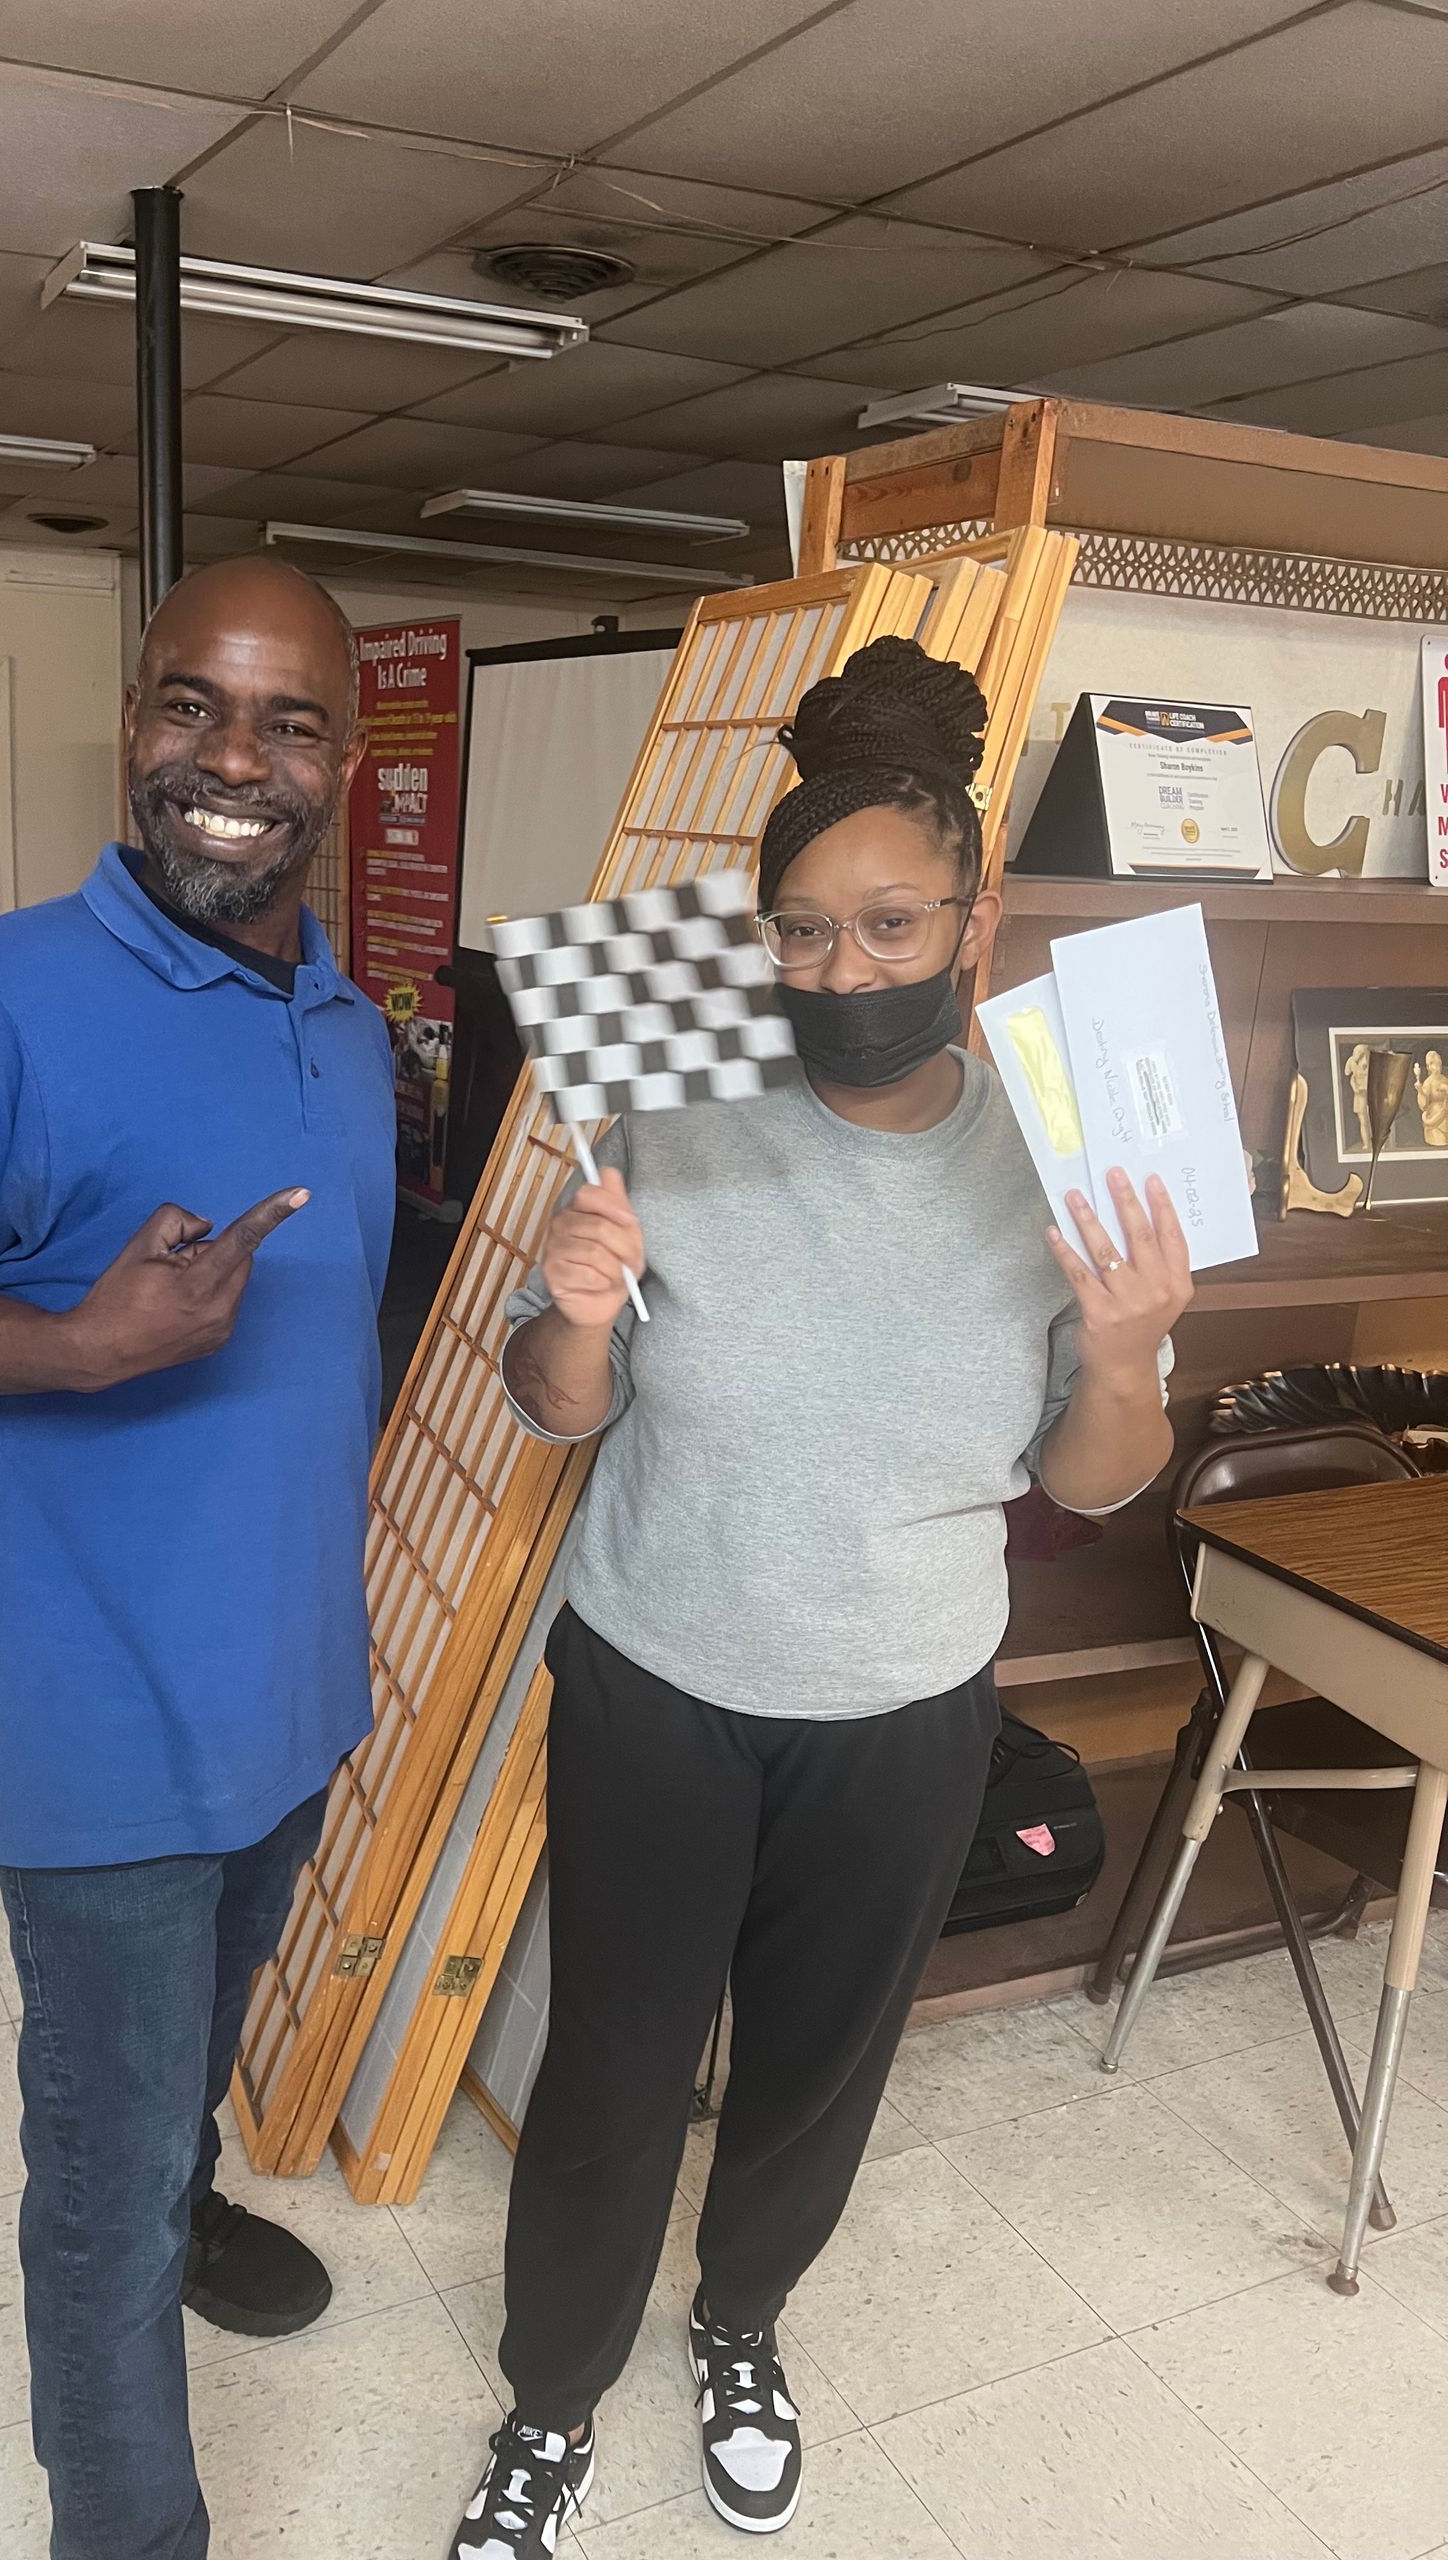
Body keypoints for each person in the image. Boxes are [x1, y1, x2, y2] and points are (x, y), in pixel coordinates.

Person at [447, 638, 1191, 2554]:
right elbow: (549, 1409)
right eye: (798, 935)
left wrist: (1129, 1346)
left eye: (888, 927)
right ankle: (549, 2406)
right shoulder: (663, 1095)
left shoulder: (1072, 1145)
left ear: (975, 916)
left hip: (905, 1706)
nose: (844, 972)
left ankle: (745, 2326)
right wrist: (584, 1316)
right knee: (614, 2064)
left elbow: (1090, 1476)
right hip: (658, 1680)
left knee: (815, 2068)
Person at [0, 555, 393, 2560]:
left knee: (180, 2073)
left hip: (294, 1694)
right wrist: (77, 1342)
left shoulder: (352, 1020)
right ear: (133, 720)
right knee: (97, 2153)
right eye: (188, 706)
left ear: (343, 754)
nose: (229, 759)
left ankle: (189, 2186)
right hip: (104, 1736)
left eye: (285, 718)